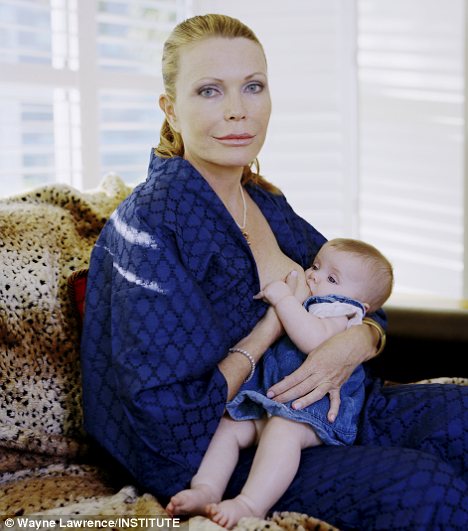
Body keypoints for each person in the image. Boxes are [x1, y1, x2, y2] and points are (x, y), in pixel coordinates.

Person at [80, 13, 468, 530]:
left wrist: (358, 341)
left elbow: (360, 290)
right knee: (427, 487)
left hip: (337, 407)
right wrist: (270, 329)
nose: (238, 110)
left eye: (253, 86)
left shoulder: (264, 201)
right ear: (170, 109)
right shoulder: (152, 225)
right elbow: (164, 420)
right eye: (210, 91)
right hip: (231, 448)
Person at [166, 238, 394, 527]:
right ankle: (207, 488)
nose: (314, 276)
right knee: (229, 426)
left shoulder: (340, 311)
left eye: (332, 278)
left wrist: (284, 299)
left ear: (361, 305)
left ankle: (251, 504)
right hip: (271, 402)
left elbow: (312, 338)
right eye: (316, 266)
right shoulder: (318, 300)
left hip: (312, 413)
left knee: (282, 432)